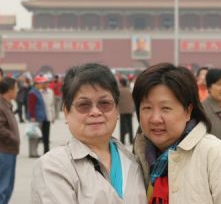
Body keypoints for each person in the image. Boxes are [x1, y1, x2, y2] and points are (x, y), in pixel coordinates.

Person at [133, 63, 221, 203]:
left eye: (166, 108)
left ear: (188, 111)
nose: (155, 119)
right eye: (147, 108)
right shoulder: (137, 157)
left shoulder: (216, 157)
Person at [32, 63, 147, 203]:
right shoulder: (54, 166)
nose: (95, 112)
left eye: (104, 103)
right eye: (84, 105)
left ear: (117, 110)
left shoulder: (134, 161)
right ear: (67, 113)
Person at [0, 77, 20, 204]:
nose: (17, 91)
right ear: (10, 90)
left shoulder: (6, 105)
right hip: (3, 151)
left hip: (9, 151)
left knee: (7, 188)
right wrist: (13, 139)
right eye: (16, 88)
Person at [27, 75, 48, 157]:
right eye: (41, 83)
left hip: (40, 117)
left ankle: (34, 151)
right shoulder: (33, 93)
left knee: (37, 136)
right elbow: (31, 106)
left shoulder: (38, 92)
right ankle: (32, 153)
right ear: (36, 84)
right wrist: (32, 117)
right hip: (35, 118)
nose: (43, 85)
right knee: (33, 136)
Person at [40, 77, 55, 154]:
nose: (45, 84)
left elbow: (52, 105)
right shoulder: (39, 92)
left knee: (46, 134)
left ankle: (46, 150)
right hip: (40, 116)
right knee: (40, 134)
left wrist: (53, 116)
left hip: (48, 115)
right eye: (43, 83)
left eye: (46, 83)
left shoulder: (51, 92)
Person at [118, 77, 135, 145]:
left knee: (122, 126)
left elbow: (117, 101)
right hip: (129, 110)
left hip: (122, 111)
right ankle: (131, 140)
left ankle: (122, 140)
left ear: (121, 83)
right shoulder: (129, 90)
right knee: (130, 126)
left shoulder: (119, 91)